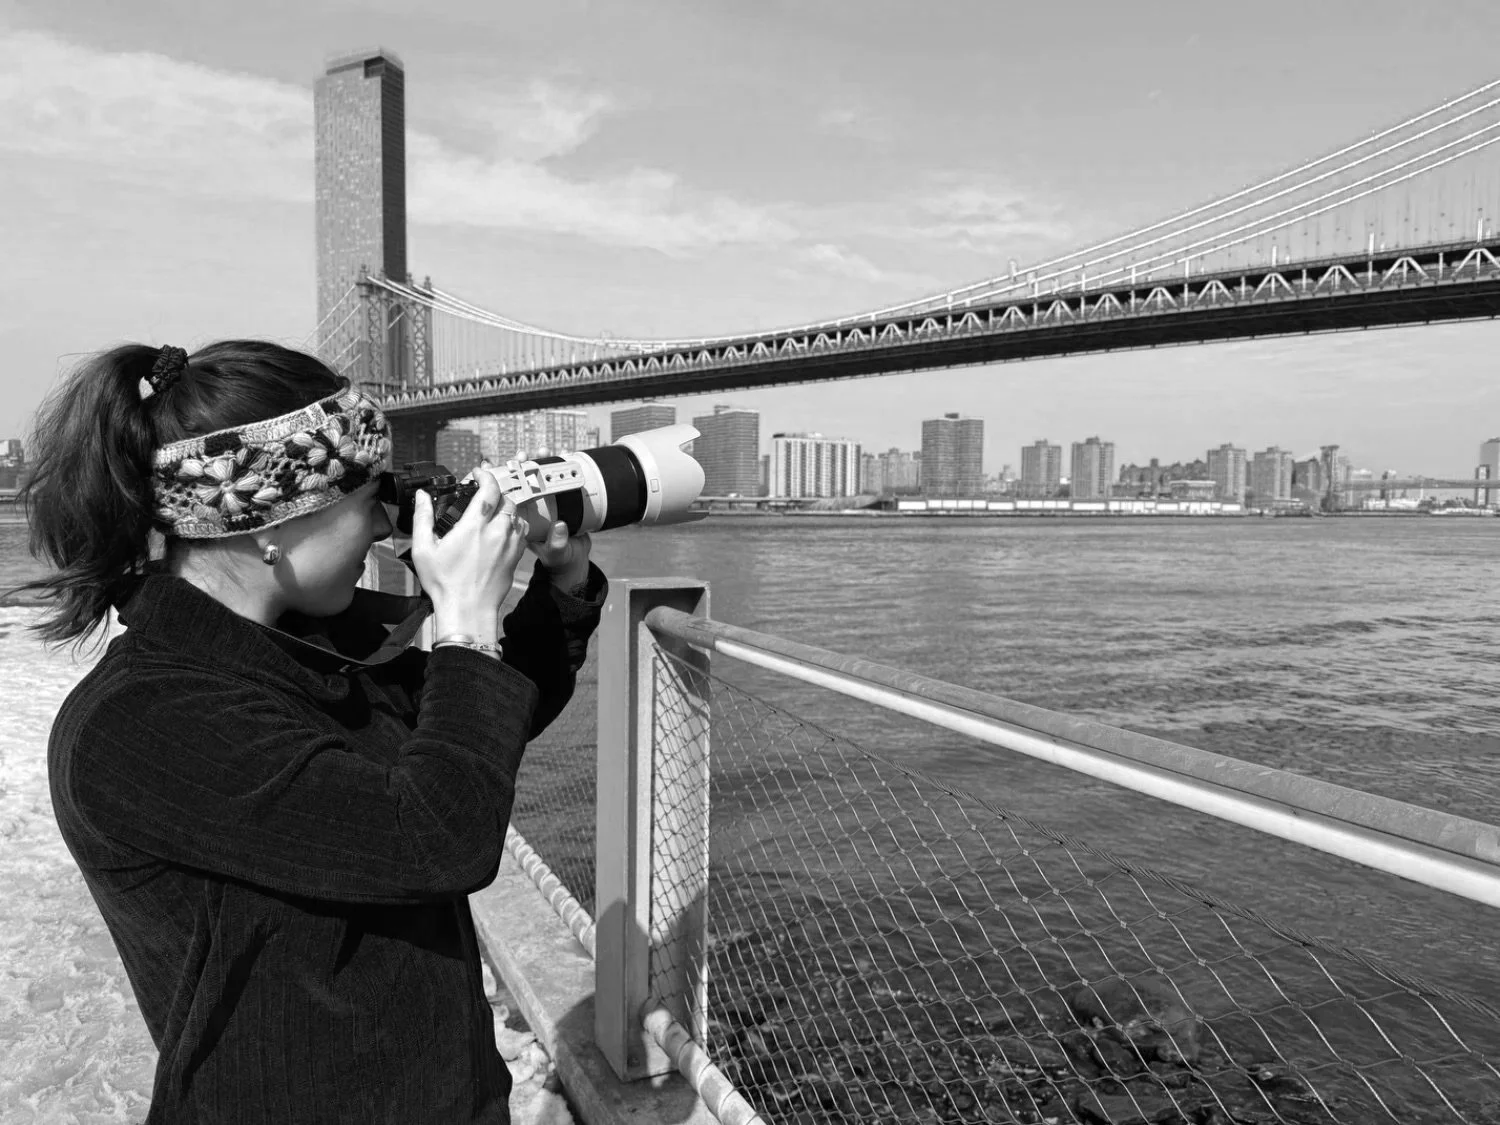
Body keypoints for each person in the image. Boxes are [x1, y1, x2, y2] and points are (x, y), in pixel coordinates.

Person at [10, 340, 607, 1124]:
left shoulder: (305, 650)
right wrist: (462, 622)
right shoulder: (139, 722)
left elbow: (474, 733)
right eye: (368, 495)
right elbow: (436, 836)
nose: (388, 525)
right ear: (273, 526)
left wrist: (556, 585)